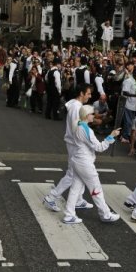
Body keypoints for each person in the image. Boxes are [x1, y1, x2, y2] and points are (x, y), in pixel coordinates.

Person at [62, 106, 121, 224]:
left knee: (75, 189)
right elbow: (99, 147)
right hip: (84, 163)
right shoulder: (87, 130)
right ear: (86, 115)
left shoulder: (77, 125)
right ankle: (105, 214)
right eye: (92, 114)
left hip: (77, 160)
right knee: (96, 189)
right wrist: (111, 136)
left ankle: (69, 215)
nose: (94, 115)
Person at [42, 83, 94, 212]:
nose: (90, 96)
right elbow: (76, 128)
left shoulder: (75, 105)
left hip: (73, 143)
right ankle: (51, 197)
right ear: (81, 93)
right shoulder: (77, 108)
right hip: (75, 144)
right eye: (88, 93)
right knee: (72, 174)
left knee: (78, 173)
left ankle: (78, 200)